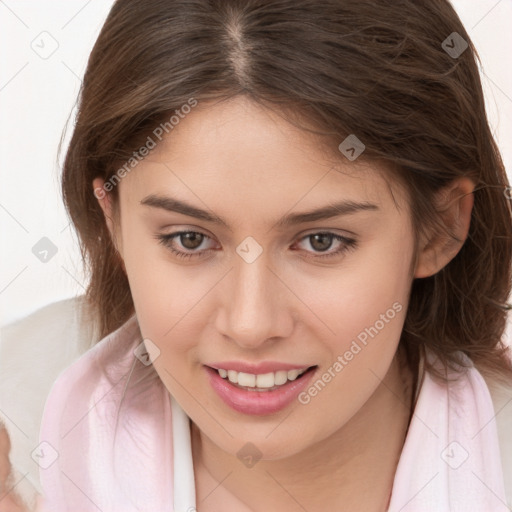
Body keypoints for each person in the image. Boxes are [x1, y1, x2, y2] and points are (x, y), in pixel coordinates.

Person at [5, 0, 512, 510]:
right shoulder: (18, 427)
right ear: (113, 221)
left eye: (321, 241)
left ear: (440, 229)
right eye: (189, 239)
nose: (250, 325)